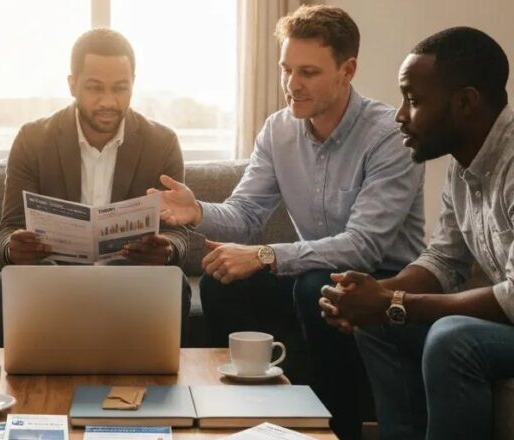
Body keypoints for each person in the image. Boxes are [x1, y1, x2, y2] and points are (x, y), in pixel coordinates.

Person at [150, 5, 425, 439]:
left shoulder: (389, 135)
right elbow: (245, 215)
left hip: (385, 279)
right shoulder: (279, 130)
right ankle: (241, 418)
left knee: (317, 287)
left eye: (309, 72)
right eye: (286, 69)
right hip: (311, 275)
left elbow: (363, 246)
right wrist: (198, 211)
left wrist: (264, 255)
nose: (292, 85)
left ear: (347, 70)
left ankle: (337, 431)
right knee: (222, 280)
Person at [320, 27, 514, 440]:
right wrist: (373, 295)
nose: (400, 115)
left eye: (414, 99)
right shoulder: (463, 164)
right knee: (378, 323)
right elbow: (444, 259)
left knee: (452, 338)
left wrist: (395, 302)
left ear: (465, 102)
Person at [0, 28, 191, 346]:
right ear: (72, 85)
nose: (108, 101)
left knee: (174, 281)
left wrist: (167, 249)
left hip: (130, 273)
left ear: (133, 84)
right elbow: (9, 228)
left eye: (120, 88)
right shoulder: (32, 139)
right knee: (10, 282)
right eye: (95, 88)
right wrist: (14, 248)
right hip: (55, 272)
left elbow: (178, 232)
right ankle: (25, 393)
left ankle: (157, 391)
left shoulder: (162, 143)